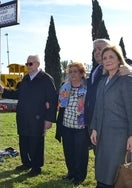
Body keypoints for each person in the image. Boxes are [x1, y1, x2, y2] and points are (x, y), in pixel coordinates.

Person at [0, 55, 58, 177]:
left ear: (38, 64)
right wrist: (3, 91)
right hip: (23, 116)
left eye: (30, 64)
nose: (28, 66)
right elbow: (18, 94)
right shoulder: (25, 79)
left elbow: (52, 99)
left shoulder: (46, 79)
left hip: (38, 117)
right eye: (27, 64)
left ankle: (36, 167)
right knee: (24, 141)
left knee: (36, 142)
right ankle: (26, 163)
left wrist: (49, 119)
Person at [90, 45, 132, 187]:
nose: (107, 60)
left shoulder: (126, 80)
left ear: (119, 59)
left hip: (119, 137)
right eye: (104, 58)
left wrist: (131, 135)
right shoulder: (102, 81)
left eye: (111, 57)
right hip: (102, 134)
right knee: (102, 171)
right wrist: (94, 128)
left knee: (115, 175)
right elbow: (98, 108)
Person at [56, 62, 89, 186]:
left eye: (75, 71)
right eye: (70, 72)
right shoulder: (65, 87)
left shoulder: (87, 88)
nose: (72, 74)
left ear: (81, 74)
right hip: (66, 126)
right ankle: (71, 173)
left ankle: (80, 176)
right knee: (68, 152)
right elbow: (61, 105)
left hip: (81, 127)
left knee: (80, 153)